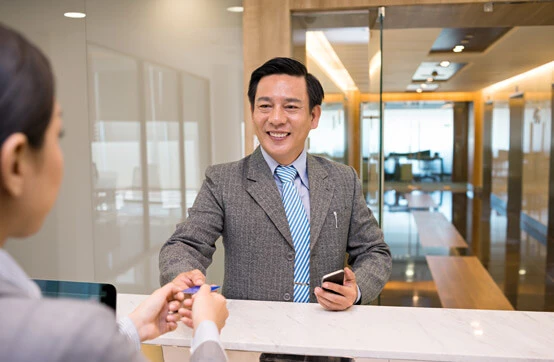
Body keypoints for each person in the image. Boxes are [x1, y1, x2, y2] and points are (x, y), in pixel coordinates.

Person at [0, 24, 228, 362]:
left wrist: (131, 329)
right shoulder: (71, 333)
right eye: (58, 134)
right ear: (16, 163)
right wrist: (208, 327)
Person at [160, 57, 392, 311]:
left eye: (291, 107)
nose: (276, 119)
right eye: (265, 106)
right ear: (252, 113)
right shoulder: (223, 180)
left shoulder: (342, 179)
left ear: (314, 116)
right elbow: (186, 244)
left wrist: (356, 290)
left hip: (327, 329)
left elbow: (374, 251)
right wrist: (182, 275)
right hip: (250, 334)